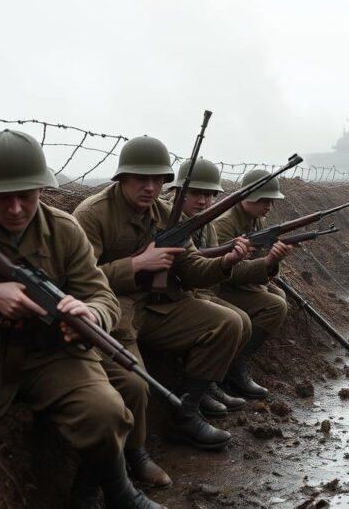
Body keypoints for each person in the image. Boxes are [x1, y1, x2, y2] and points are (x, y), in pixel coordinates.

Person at [0, 129, 161, 509]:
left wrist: (91, 313)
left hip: (54, 354)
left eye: (27, 195)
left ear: (42, 188)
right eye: (4, 198)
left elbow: (101, 293)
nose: (17, 208)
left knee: (106, 410)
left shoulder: (64, 230)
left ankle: (118, 493)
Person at [72, 136, 250, 452]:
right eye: (142, 178)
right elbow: (75, 280)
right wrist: (136, 264)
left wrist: (226, 262)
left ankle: (187, 413)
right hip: (113, 309)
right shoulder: (92, 215)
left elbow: (193, 269)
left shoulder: (167, 214)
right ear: (122, 177)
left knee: (228, 323)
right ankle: (135, 453)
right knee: (135, 383)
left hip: (156, 307)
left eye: (159, 179)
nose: (150, 187)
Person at [164, 158, 293, 412]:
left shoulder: (213, 222)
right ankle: (203, 387)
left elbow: (225, 263)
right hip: (195, 291)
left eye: (209, 195)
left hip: (203, 286)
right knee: (253, 312)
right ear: (179, 192)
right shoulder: (215, 222)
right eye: (196, 193)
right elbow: (220, 269)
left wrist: (269, 264)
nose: (203, 201)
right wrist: (262, 263)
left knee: (267, 302)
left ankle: (215, 378)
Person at [212, 169, 293, 399]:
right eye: (263, 200)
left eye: (271, 201)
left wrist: (271, 263)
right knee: (275, 306)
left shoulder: (256, 219)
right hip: (221, 287)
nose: (269, 206)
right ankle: (236, 364)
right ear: (245, 197)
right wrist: (268, 262)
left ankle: (239, 360)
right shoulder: (224, 225)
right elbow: (225, 271)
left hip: (241, 283)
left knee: (278, 295)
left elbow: (257, 260)